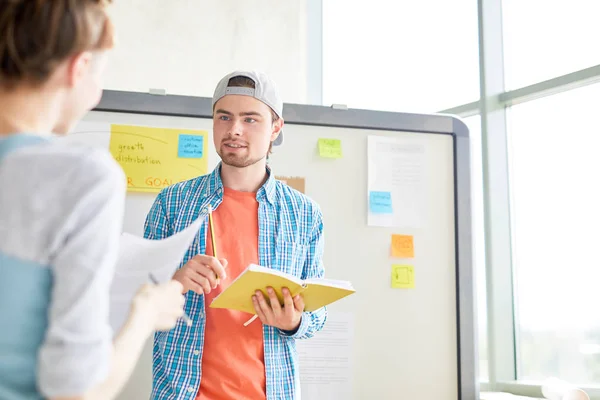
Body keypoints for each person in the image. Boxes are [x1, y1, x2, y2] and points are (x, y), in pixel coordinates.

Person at [0, 1, 186, 400]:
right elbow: (75, 392)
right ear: (78, 68)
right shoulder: (81, 175)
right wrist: (147, 313)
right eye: (100, 73)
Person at [144, 70, 328, 399]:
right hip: (182, 392)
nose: (234, 130)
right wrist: (176, 281)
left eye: (250, 119)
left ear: (275, 128)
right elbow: (133, 297)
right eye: (224, 117)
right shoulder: (172, 203)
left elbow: (317, 311)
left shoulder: (304, 214)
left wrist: (294, 321)